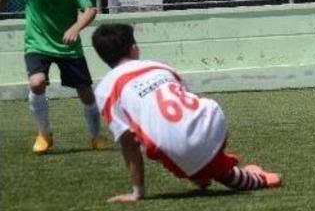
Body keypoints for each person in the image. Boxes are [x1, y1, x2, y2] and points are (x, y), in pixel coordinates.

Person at [91, 24, 280, 203]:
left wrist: (137, 192)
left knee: (149, 135)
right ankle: (231, 173)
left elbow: (128, 144)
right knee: (191, 141)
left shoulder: (105, 90)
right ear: (134, 49)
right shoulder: (159, 67)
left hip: (176, 149)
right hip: (213, 123)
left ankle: (247, 178)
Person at [0, 0, 107, 154]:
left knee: (85, 92)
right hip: (37, 44)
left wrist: (75, 27)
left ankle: (96, 136)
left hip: (68, 46)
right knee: (37, 83)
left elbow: (90, 10)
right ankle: (44, 134)